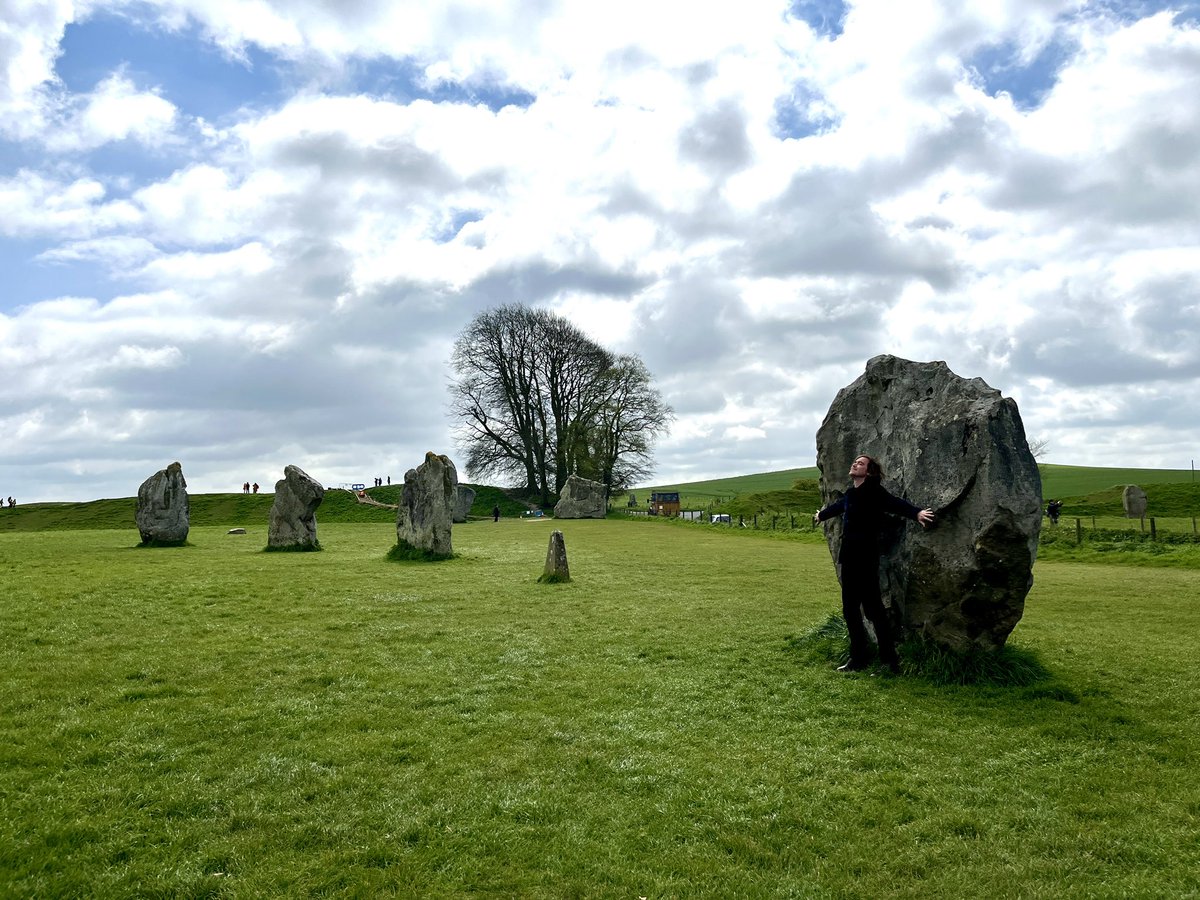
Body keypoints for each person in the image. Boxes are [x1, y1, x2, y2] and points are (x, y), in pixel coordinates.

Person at [814, 455, 934, 674]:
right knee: (850, 611)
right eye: (855, 462)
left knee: (873, 610)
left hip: (866, 558)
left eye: (860, 463)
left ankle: (889, 660)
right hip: (849, 558)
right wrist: (821, 515)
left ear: (869, 472)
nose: (854, 464)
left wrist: (916, 513)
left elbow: (895, 503)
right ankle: (858, 658)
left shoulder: (874, 492)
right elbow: (840, 506)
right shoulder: (852, 494)